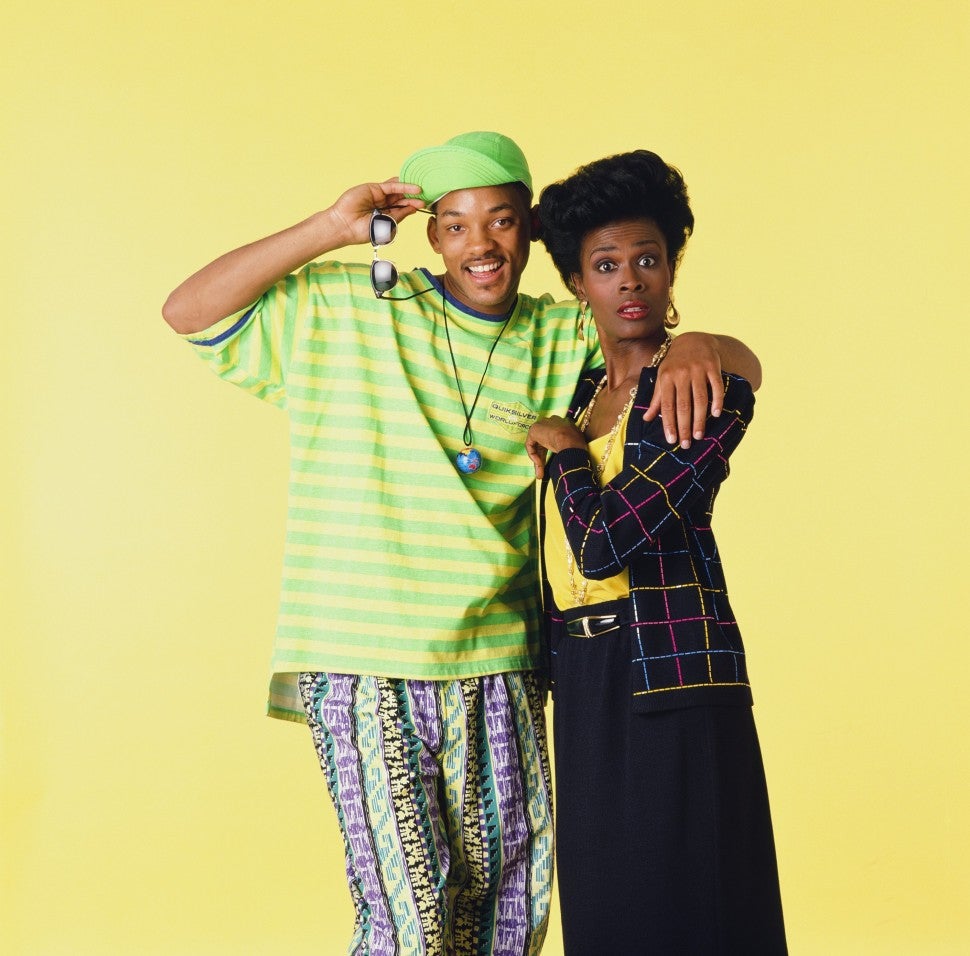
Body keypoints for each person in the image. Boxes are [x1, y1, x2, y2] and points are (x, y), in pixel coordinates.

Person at [162, 131, 762, 956]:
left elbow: (659, 340)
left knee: (505, 916)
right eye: (455, 224)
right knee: (409, 919)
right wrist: (331, 227)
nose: (480, 244)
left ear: (531, 232)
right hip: (366, 654)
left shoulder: (562, 333)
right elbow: (189, 312)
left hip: (504, 660)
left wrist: (704, 344)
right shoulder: (345, 308)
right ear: (431, 234)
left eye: (502, 221)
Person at [526, 149, 787, 954]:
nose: (630, 281)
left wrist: (567, 456)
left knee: (697, 904)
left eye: (648, 259)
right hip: (583, 677)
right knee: (606, 911)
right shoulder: (580, 395)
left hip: (672, 671)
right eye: (606, 265)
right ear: (578, 283)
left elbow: (605, 543)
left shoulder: (702, 390)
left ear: (672, 267)